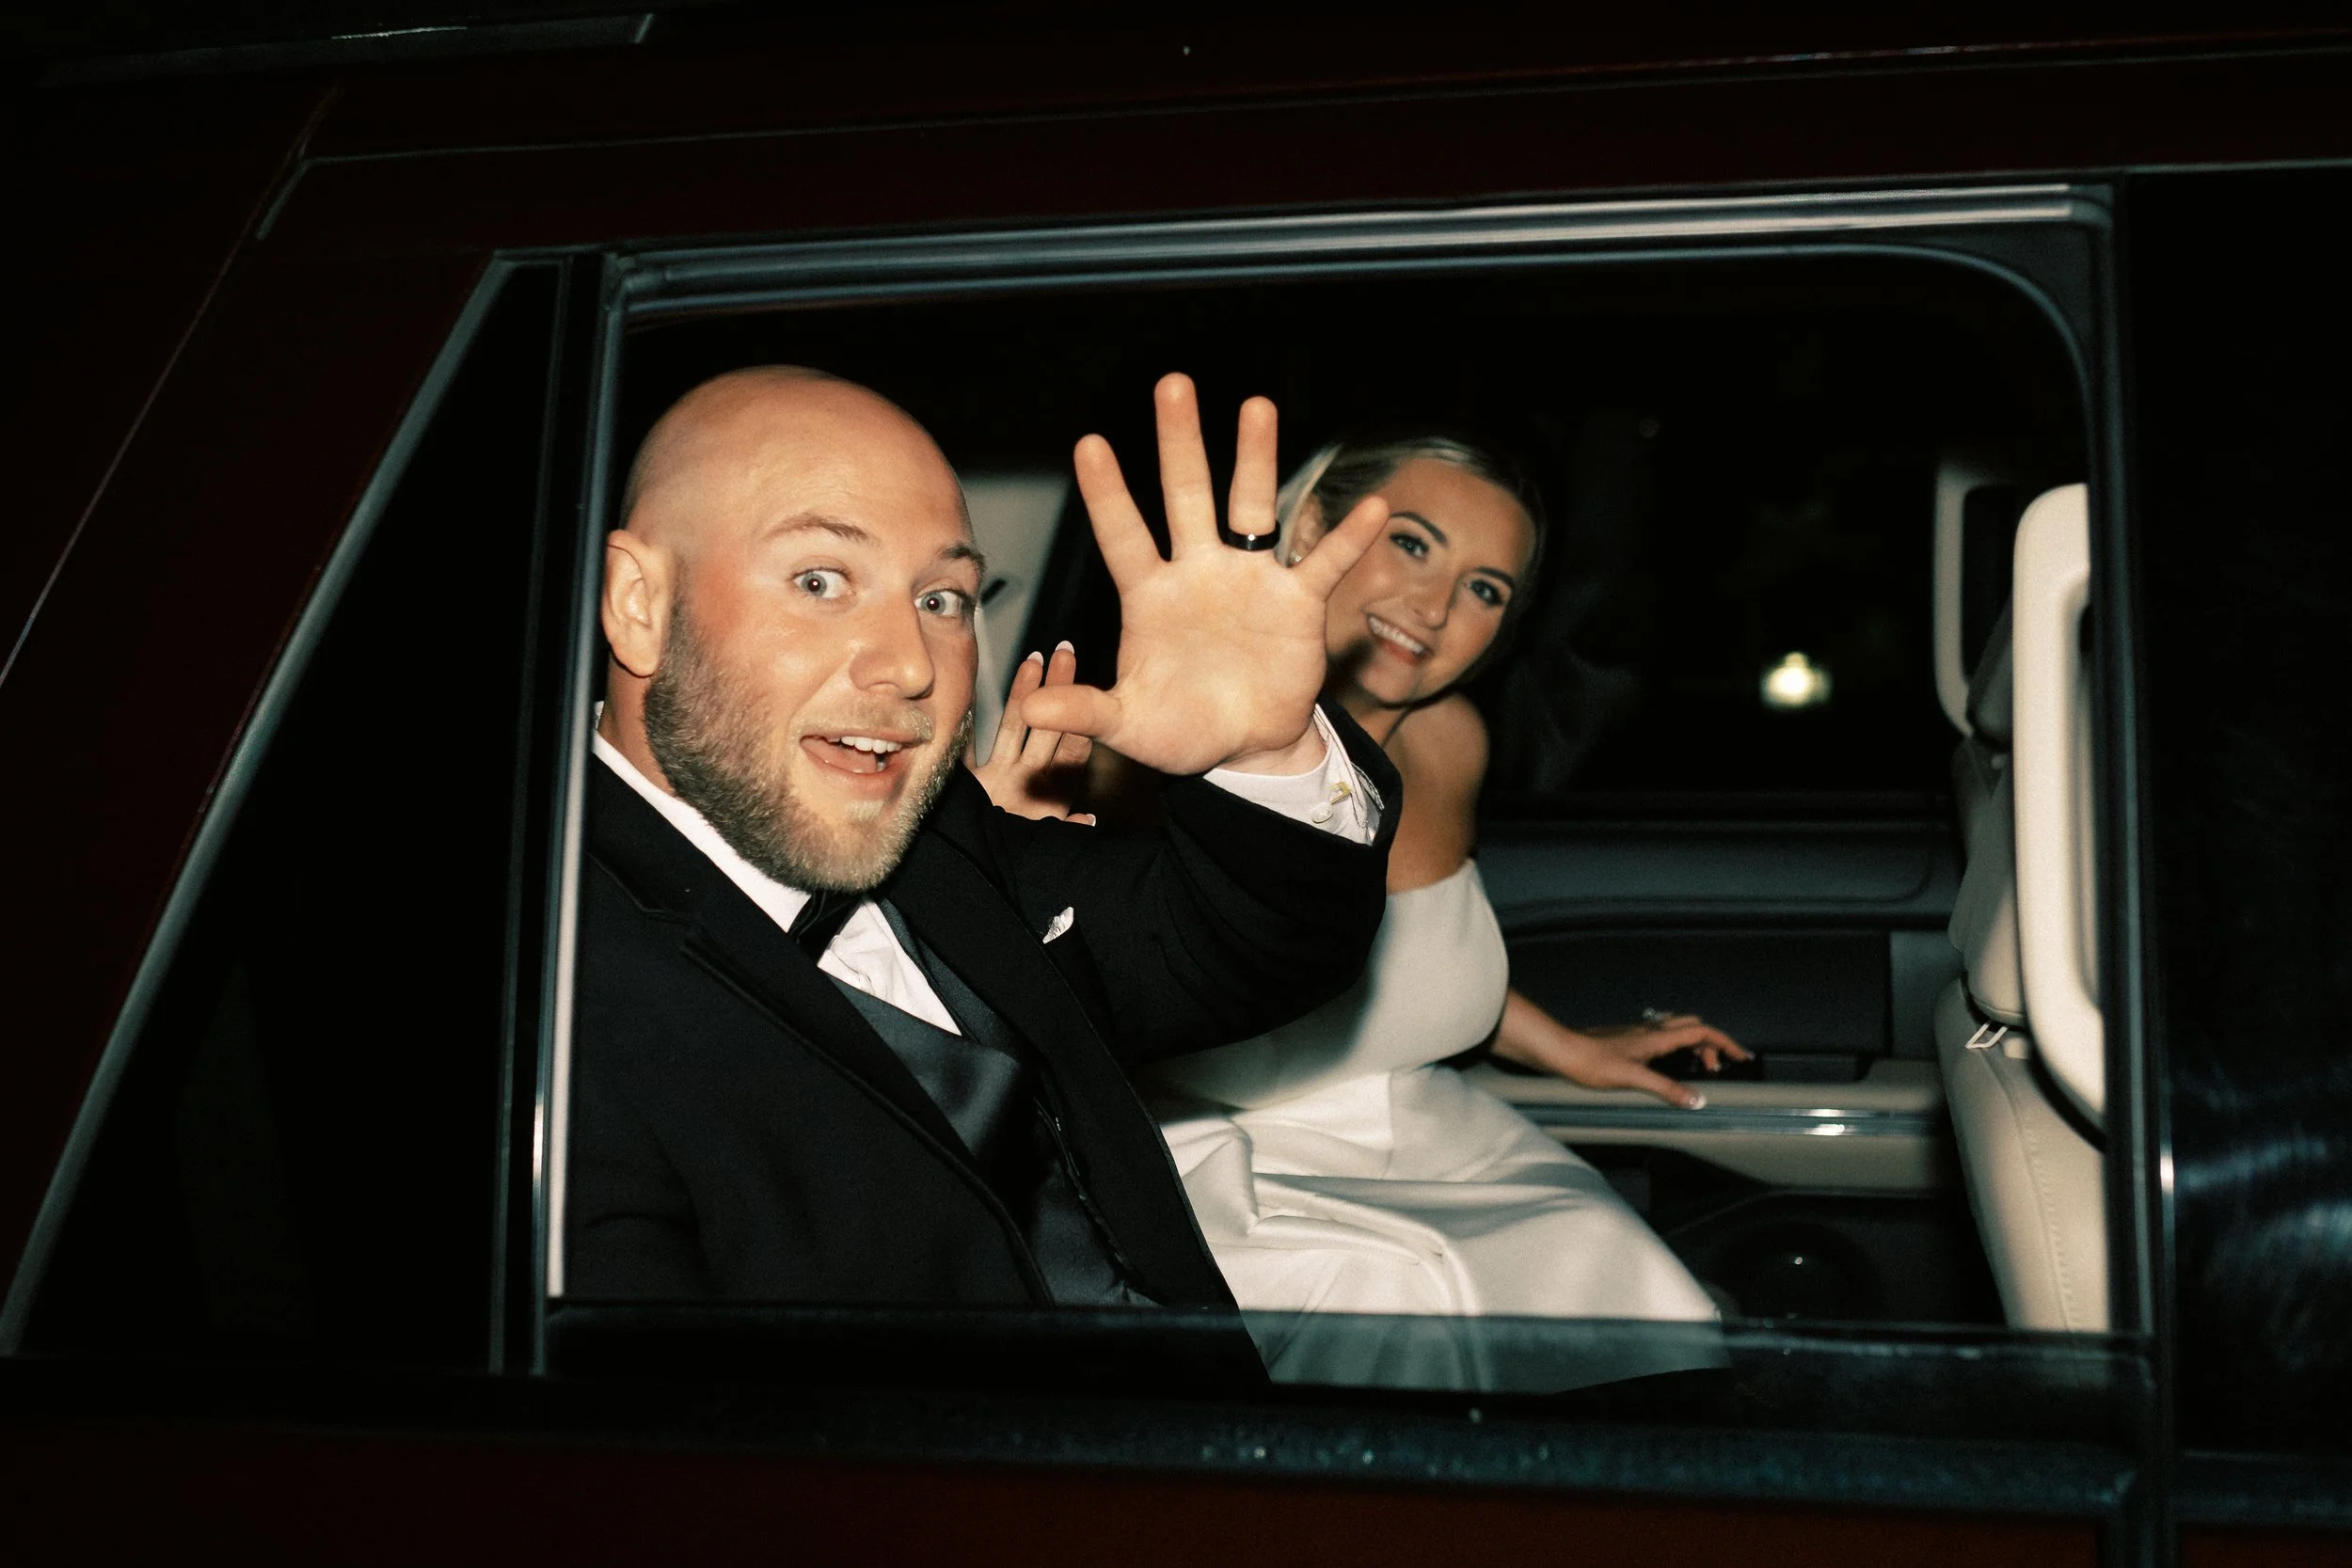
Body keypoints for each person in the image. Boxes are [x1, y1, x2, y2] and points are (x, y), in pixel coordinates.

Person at [565, 368, 1404, 1312]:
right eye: (820, 580)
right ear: (638, 601)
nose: (911, 665)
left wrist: (1263, 745)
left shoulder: (942, 838)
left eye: (943, 599)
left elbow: (1249, 949)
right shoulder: (547, 1001)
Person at [977, 435, 1745, 1388]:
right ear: (1309, 528)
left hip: (1430, 1131)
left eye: (1485, 589)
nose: (1434, 607)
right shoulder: (1142, 747)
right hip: (1208, 1156)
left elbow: (1406, 945)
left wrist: (1570, 1047)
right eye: (1412, 544)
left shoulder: (1449, 741)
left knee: (1631, 1289)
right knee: (1394, 1295)